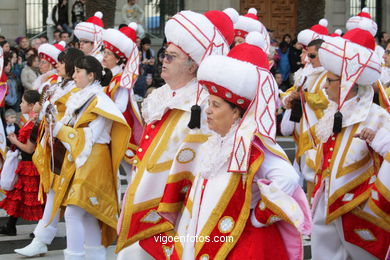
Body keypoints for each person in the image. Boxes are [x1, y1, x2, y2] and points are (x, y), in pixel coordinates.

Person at [148, 31, 310, 259]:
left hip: (236, 242)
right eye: (209, 103)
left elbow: (288, 178)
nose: (208, 110)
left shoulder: (254, 144)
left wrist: (256, 216)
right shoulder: (217, 142)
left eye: (215, 105)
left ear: (235, 112)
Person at [116, 9, 232, 257]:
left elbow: (201, 166)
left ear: (193, 66)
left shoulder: (202, 106)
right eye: (164, 55)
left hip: (172, 212)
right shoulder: (162, 96)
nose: (163, 60)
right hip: (145, 202)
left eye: (171, 56)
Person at [311, 29, 390, 260]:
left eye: (329, 81)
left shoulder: (377, 116)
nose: (324, 87)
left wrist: (379, 141)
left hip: (359, 208)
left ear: (347, 84)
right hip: (326, 201)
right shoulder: (332, 113)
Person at [47, 56, 129, 259]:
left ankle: (75, 256)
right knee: (88, 214)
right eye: (73, 71)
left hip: (93, 159)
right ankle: (95, 256)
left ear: (91, 75)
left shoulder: (101, 101)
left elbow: (89, 137)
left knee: (74, 213)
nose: (73, 75)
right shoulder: (83, 96)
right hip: (82, 158)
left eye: (77, 72)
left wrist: (58, 128)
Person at [14, 48, 85, 258]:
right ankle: (42, 239)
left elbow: (67, 116)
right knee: (56, 195)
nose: (57, 65)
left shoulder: (77, 89)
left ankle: (48, 240)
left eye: (62, 62)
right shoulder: (58, 85)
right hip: (56, 146)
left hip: (69, 148)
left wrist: (47, 111)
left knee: (77, 208)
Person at [102, 23, 143, 179]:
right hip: (109, 126)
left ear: (119, 59)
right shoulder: (108, 76)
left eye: (109, 54)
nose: (104, 57)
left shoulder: (121, 80)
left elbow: (120, 106)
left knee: (127, 171)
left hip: (121, 129)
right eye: (104, 52)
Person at [0, 90, 43, 236]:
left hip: (31, 166)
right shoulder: (30, 121)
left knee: (34, 199)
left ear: (31, 105)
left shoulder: (33, 123)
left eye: (23, 102)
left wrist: (14, 141)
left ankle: (41, 230)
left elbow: (29, 149)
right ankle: (11, 226)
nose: (20, 104)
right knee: (19, 196)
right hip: (25, 165)